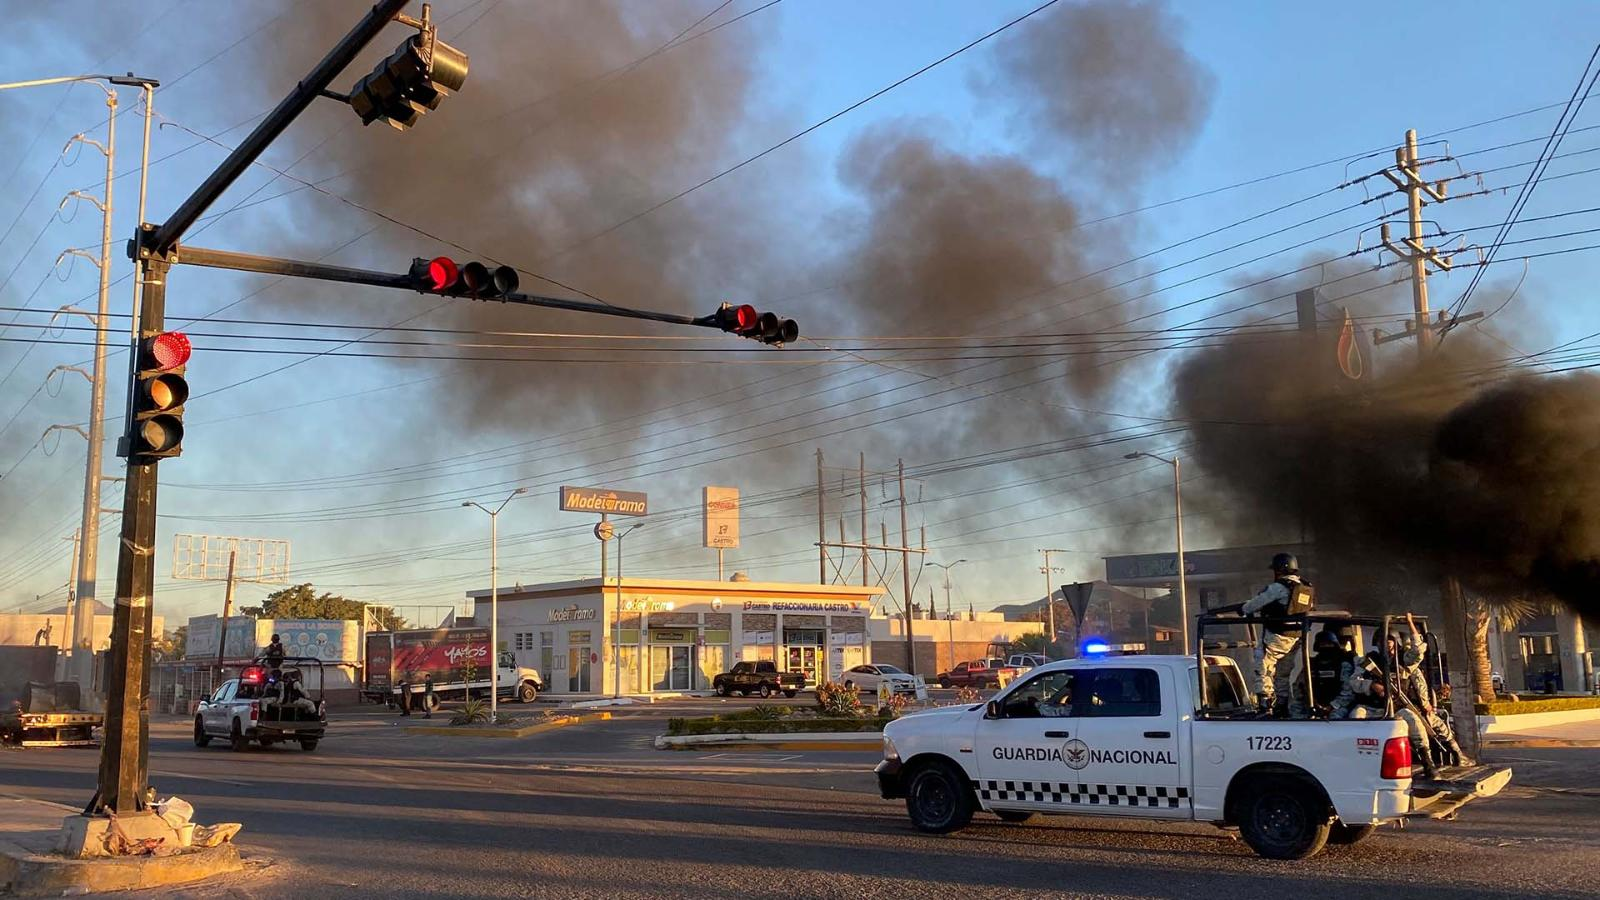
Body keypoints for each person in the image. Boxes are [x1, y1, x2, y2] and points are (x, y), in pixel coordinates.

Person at [1241, 552, 1313, 716]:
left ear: (1279, 570)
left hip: (1277, 636)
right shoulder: (1304, 587)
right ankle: (1282, 705)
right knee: (1282, 673)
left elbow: (1252, 606)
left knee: (1263, 667)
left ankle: (1266, 705)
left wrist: (1243, 608)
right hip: (1296, 638)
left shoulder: (1278, 588)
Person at [1308, 629, 1357, 719]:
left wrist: (1331, 707)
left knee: (1335, 719)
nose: (1326, 647)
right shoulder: (1311, 665)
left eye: (1329, 644)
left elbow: (1348, 692)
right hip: (1314, 705)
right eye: (1322, 645)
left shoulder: (1343, 664)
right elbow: (1299, 689)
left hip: (1340, 706)